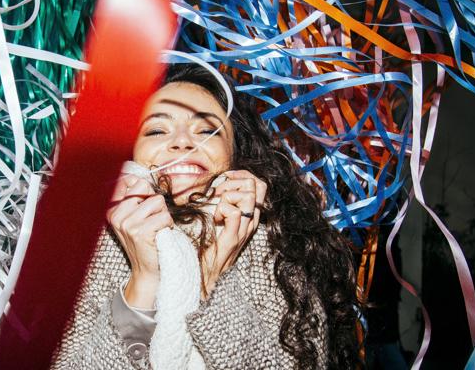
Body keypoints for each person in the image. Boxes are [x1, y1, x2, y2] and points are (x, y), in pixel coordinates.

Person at [51, 64, 361, 369]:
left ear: (234, 151)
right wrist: (143, 280)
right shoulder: (89, 240)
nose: (183, 142)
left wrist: (210, 277)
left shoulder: (277, 239)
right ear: (130, 148)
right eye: (157, 129)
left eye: (206, 130)